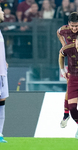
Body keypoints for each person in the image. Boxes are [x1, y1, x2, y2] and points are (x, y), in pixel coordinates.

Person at [0, 6, 8, 143]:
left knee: (2, 102)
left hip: (2, 73)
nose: (3, 12)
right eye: (0, 10)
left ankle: (0, 134)